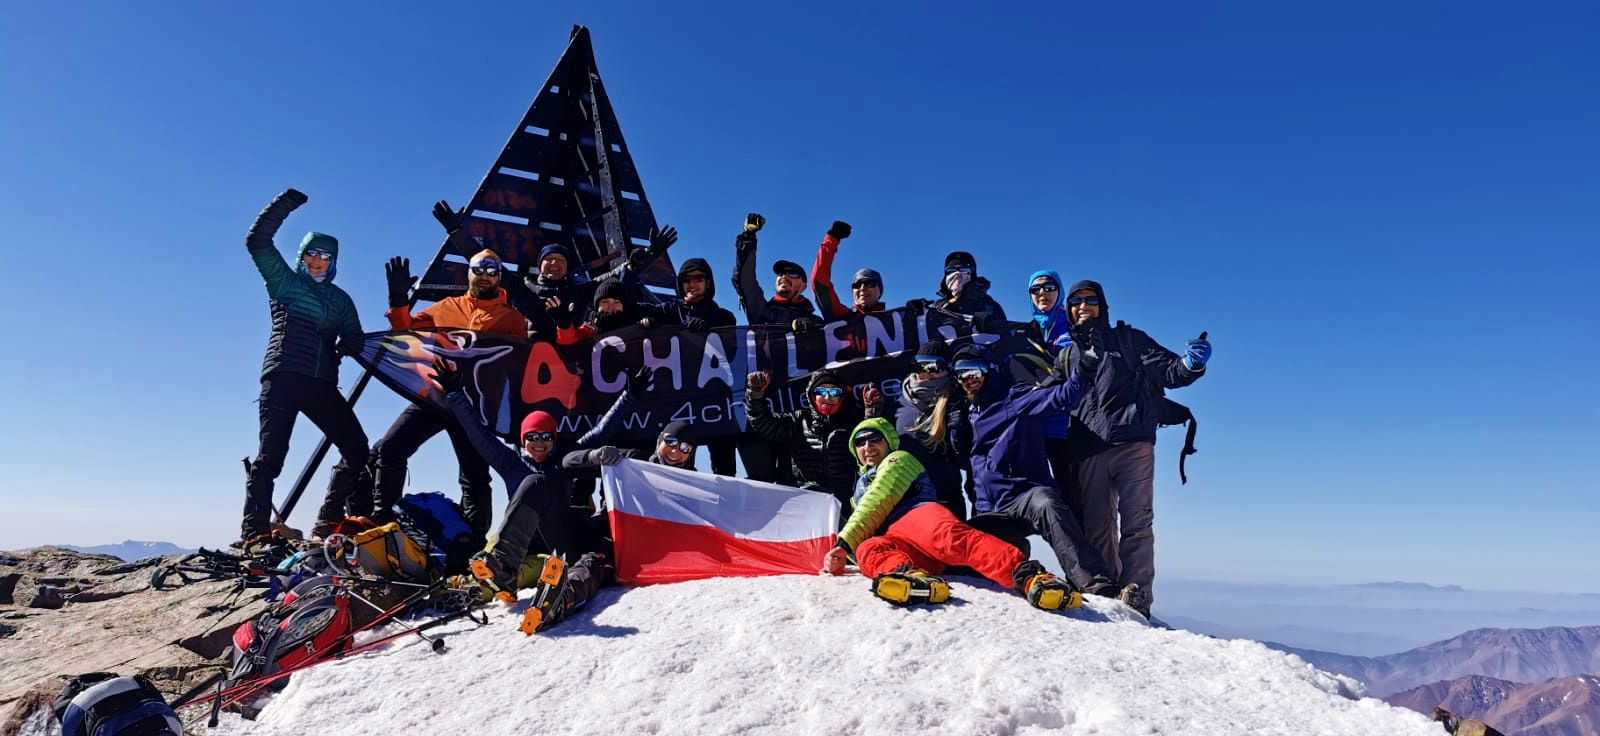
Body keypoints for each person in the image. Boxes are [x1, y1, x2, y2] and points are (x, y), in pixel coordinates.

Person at [1057, 279, 1211, 617]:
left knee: (1137, 521)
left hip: (1133, 443)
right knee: (1097, 526)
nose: (1083, 307)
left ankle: (1138, 596)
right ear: (1068, 310)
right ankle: (1109, 593)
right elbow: (1052, 398)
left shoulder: (1128, 340)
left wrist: (1192, 364)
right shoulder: (1067, 355)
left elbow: (1170, 372)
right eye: (1076, 302)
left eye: (1090, 300)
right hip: (1087, 448)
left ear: (1103, 306)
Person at [819, 418, 1078, 611]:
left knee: (948, 538)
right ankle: (911, 579)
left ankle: (1030, 577)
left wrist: (843, 544)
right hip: (899, 541)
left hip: (914, 514)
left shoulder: (900, 459)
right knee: (869, 549)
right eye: (860, 443)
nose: (867, 446)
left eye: (874, 439)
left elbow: (878, 500)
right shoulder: (858, 485)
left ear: (889, 442)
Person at [361, 250, 527, 542]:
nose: (485, 274)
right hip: (434, 396)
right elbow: (404, 330)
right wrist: (397, 301)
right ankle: (383, 521)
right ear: (469, 273)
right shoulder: (446, 307)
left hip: (473, 405)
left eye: (492, 270)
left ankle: (472, 541)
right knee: (391, 448)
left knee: (474, 473)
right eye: (479, 268)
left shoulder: (512, 319)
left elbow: (520, 362)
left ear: (499, 277)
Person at [238, 188, 369, 543]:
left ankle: (329, 519)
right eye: (311, 253)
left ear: (334, 261)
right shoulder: (283, 281)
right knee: (271, 458)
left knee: (357, 447)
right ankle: (255, 533)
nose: (317, 260)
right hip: (282, 377)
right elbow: (257, 241)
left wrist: (351, 342)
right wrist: (285, 205)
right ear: (301, 255)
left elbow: (355, 335)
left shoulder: (341, 300)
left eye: (325, 256)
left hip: (322, 384)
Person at [955, 340, 1116, 599]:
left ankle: (1094, 585)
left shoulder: (1016, 398)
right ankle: (1025, 565)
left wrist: (1085, 368)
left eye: (974, 369)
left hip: (1023, 497)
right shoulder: (964, 413)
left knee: (1046, 503)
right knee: (962, 556)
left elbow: (1061, 397)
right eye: (961, 372)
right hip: (990, 512)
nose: (968, 378)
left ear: (990, 369)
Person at [429, 199, 676, 339]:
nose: (555, 264)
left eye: (561, 261)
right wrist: (456, 232)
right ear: (541, 265)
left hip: (571, 354)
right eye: (549, 260)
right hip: (530, 353)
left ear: (568, 268)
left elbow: (618, 277)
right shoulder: (525, 286)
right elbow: (485, 264)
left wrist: (649, 255)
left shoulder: (579, 290)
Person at [638, 257, 740, 476]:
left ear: (708, 283)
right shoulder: (670, 311)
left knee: (724, 468)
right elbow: (629, 305)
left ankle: (723, 508)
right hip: (680, 402)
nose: (692, 284)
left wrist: (708, 331)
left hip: (715, 403)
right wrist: (651, 322)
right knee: (680, 465)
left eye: (698, 279)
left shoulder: (723, 316)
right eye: (686, 279)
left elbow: (732, 352)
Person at [744, 368, 881, 515]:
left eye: (834, 393)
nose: (827, 398)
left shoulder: (852, 423)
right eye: (822, 392)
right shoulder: (797, 421)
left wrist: (872, 412)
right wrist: (756, 395)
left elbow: (870, 447)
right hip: (804, 503)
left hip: (844, 505)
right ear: (812, 396)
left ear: (841, 398)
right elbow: (763, 423)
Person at [882, 338, 972, 516]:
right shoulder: (896, 403)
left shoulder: (956, 402)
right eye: (919, 365)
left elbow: (966, 459)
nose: (924, 372)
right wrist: (872, 411)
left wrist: (958, 428)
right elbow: (879, 446)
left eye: (932, 367)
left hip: (945, 499)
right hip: (905, 499)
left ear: (946, 370)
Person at [732, 213, 820, 328]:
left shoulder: (816, 322)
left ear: (803, 285)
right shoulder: (762, 311)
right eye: (780, 273)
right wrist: (748, 237)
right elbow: (746, 282)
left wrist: (813, 332)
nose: (784, 276)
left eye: (792, 274)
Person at [905, 250, 1007, 329]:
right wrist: (918, 312)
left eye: (963, 270)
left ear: (972, 275)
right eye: (951, 270)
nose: (957, 274)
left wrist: (989, 323)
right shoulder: (939, 307)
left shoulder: (989, 306)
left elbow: (1003, 339)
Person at [809, 220, 886, 318]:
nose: (862, 288)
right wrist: (832, 238)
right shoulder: (844, 318)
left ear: (880, 291)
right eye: (857, 285)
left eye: (869, 283)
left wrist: (910, 315)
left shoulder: (895, 321)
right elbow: (820, 283)